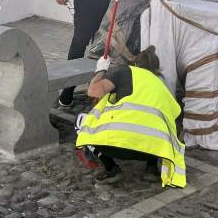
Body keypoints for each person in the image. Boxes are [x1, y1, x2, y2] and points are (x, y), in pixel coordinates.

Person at [75, 46, 186, 188]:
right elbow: (174, 118)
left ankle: (111, 168)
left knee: (81, 121)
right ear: (156, 70)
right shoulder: (160, 85)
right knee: (157, 123)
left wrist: (101, 70)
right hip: (150, 151)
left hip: (114, 148)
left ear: (135, 63)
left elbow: (93, 91)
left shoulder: (124, 72)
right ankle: (151, 168)